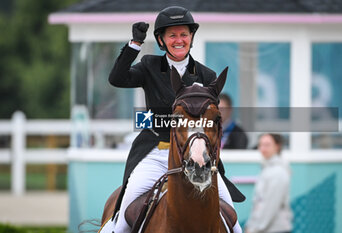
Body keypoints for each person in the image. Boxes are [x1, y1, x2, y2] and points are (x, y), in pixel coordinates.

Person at [108, 6, 244, 233]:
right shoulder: (150, 66)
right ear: (161, 40)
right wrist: (135, 45)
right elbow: (117, 78)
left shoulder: (207, 76)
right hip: (156, 153)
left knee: (233, 220)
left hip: (198, 155)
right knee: (122, 216)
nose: (178, 40)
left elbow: (210, 122)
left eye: (183, 34)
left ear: (191, 37)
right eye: (172, 35)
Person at [245, 134, 293, 233]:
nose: (263, 148)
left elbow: (271, 205)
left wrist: (255, 229)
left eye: (267, 145)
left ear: (277, 146)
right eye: (260, 145)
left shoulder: (278, 172)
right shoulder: (267, 168)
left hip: (275, 229)